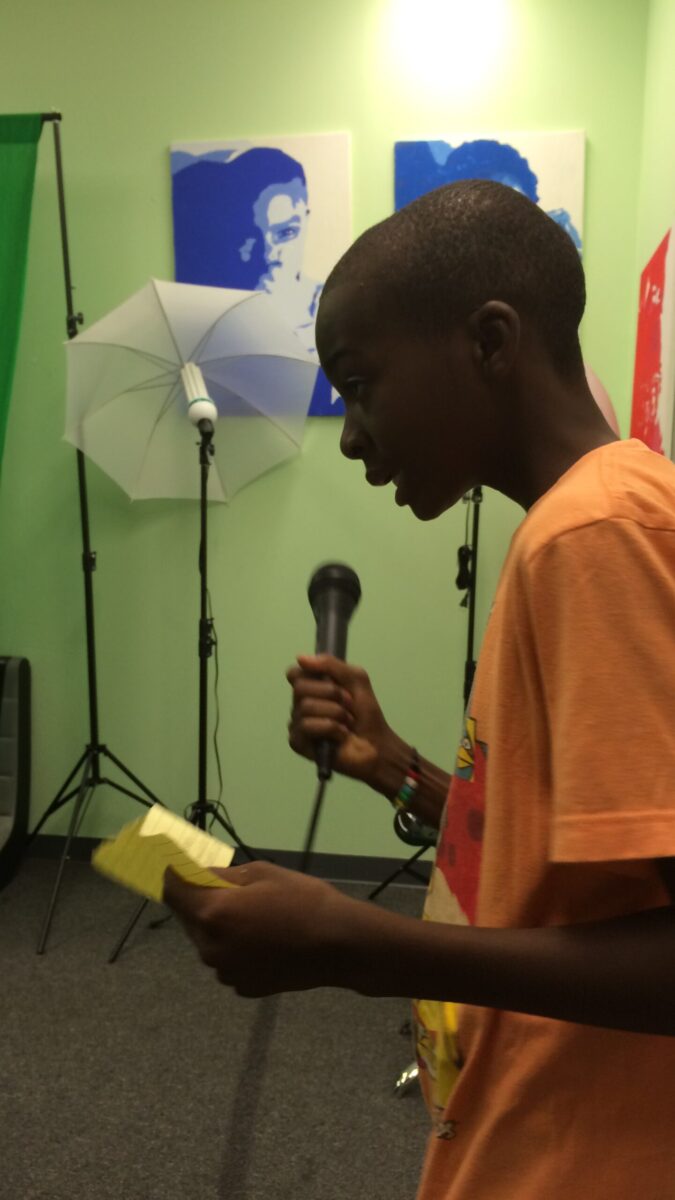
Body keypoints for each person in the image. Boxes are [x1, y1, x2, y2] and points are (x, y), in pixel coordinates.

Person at [164, 179, 675, 1199]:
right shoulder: (575, 527)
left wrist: (362, 942)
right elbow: (574, 873)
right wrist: (394, 766)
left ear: (490, 342)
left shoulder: (594, 536)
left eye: (359, 385)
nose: (350, 436)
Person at [172, 147, 333, 413]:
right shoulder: (218, 320)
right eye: (253, 236)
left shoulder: (329, 308)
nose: (270, 253)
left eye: (287, 232)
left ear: (306, 220)